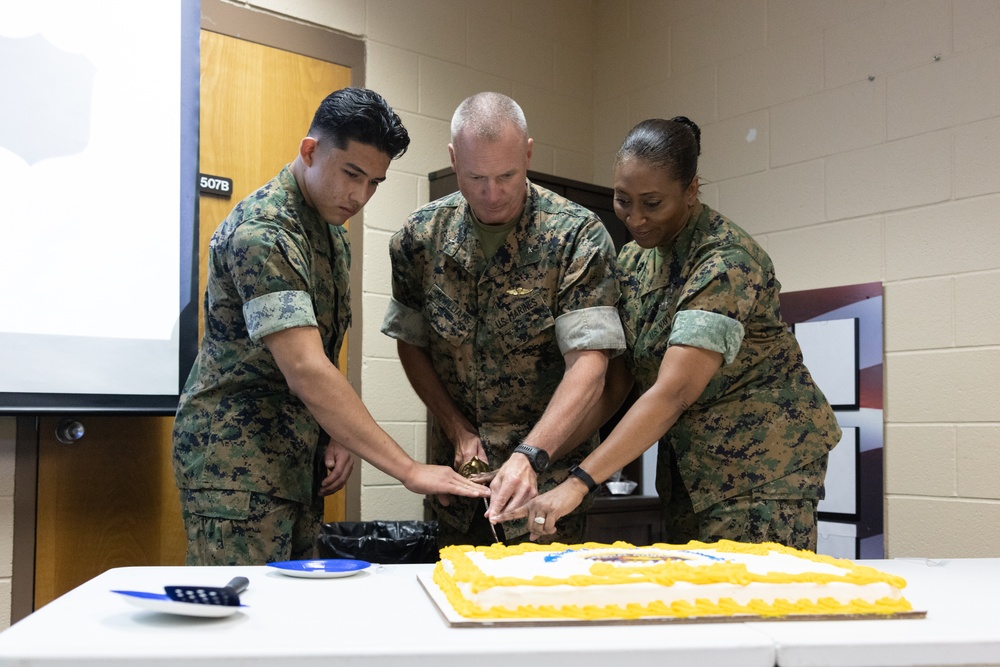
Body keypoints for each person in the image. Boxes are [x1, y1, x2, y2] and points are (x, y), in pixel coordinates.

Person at [173, 87, 488, 567]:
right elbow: (305, 367)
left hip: (294, 463)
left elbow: (323, 347)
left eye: (375, 182)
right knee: (239, 627)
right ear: (310, 150)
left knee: (293, 625)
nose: (360, 196)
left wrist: (337, 433)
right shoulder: (265, 232)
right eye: (352, 174)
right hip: (235, 469)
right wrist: (408, 469)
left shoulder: (328, 227)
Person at [495, 117, 841, 551]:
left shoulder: (725, 261)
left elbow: (674, 391)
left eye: (652, 203)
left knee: (751, 605)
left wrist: (580, 483)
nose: (635, 218)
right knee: (694, 603)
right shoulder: (635, 261)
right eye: (622, 200)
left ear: (691, 189)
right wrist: (540, 457)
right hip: (691, 471)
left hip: (763, 471)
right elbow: (618, 380)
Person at [381, 92, 625, 547]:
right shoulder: (418, 239)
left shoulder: (577, 235)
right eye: (475, 177)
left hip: (546, 496)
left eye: (507, 175)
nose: (491, 193)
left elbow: (590, 366)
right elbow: (412, 343)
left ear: (528, 152)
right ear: (454, 160)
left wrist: (531, 454)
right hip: (458, 489)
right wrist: (454, 426)